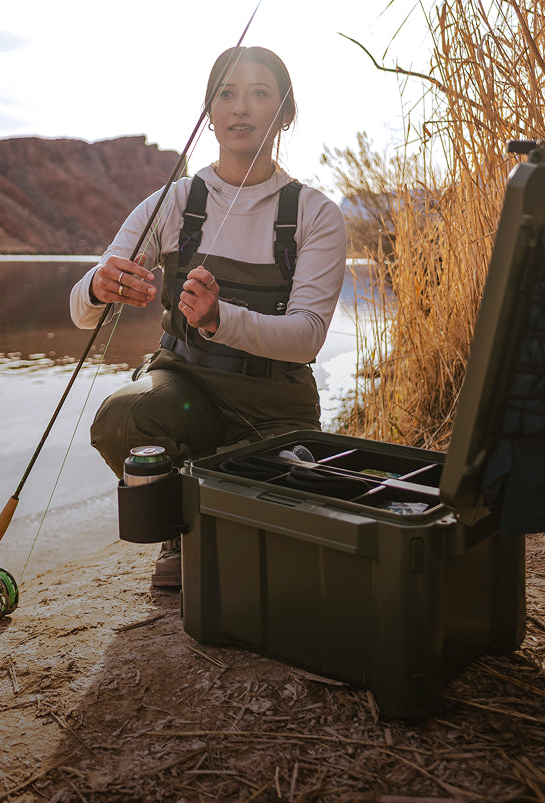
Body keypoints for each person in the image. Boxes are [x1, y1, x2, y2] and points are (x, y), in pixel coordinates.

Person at [70, 46, 347, 588]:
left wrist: (223, 319)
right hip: (184, 383)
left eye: (259, 93)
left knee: (275, 544)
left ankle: (220, 506)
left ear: (285, 114)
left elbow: (308, 340)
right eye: (226, 93)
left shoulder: (316, 214)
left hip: (273, 406)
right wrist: (98, 286)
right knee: (121, 419)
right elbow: (81, 311)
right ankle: (180, 532)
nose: (240, 107)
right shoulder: (172, 202)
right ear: (209, 112)